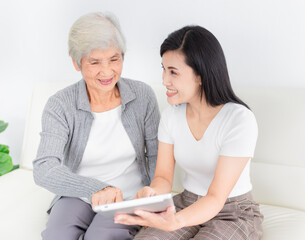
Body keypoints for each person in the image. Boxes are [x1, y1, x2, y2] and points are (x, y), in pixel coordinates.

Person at [114, 26, 263, 240]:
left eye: (173, 72)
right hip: (186, 202)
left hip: (232, 212)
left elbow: (215, 197)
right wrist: (152, 193)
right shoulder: (171, 116)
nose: (165, 80)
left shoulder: (239, 120)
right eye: (164, 69)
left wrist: (175, 222)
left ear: (201, 75)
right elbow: (163, 177)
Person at [33, 12, 160, 240]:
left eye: (114, 59)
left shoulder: (142, 96)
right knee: (57, 236)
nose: (107, 71)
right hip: (78, 193)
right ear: (76, 62)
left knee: (100, 237)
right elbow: (44, 167)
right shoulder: (60, 104)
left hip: (130, 195)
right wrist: (96, 189)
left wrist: (153, 200)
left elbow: (158, 155)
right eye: (94, 62)